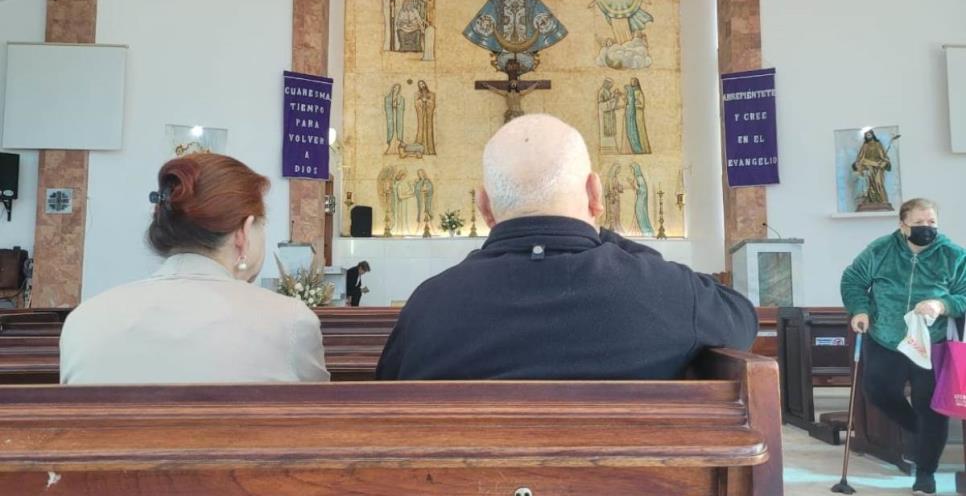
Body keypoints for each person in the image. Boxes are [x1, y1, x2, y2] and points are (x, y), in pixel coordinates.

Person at [376, 114, 757, 380]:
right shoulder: (669, 294)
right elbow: (742, 319)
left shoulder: (428, 305)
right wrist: (603, 233)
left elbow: (388, 394)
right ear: (595, 193)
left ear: (484, 206)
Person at [60, 154, 329, 384]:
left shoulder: (83, 320)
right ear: (243, 233)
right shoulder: (290, 321)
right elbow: (320, 421)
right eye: (262, 225)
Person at [841, 198, 966, 495]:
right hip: (886, 338)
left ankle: (926, 472)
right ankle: (916, 429)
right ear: (902, 225)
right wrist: (859, 309)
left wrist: (941, 303)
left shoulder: (953, 255)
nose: (927, 228)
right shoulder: (881, 250)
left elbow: (963, 295)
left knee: (931, 408)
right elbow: (853, 280)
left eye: (932, 223)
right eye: (919, 223)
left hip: (930, 342)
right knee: (877, 389)